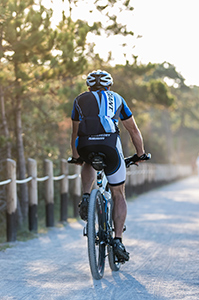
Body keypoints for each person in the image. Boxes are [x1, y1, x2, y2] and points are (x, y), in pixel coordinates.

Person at [70, 70, 147, 262]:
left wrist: (75, 156)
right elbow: (133, 130)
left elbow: (75, 133)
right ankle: (118, 240)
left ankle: (87, 196)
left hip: (86, 144)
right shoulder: (118, 98)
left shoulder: (79, 100)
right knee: (118, 194)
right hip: (110, 145)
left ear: (88, 87)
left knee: (86, 161)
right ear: (109, 86)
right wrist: (140, 154)